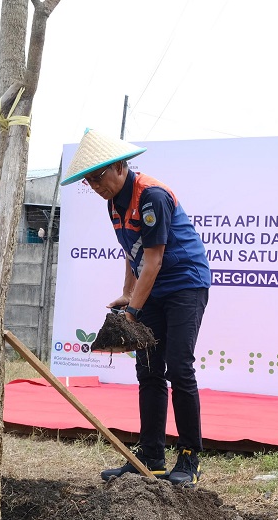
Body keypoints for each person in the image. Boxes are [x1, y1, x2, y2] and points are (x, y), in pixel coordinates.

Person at [61, 128, 211, 486]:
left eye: (99, 177)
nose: (95, 185)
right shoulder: (113, 202)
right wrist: (128, 295)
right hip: (152, 288)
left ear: (120, 167)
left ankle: (190, 457)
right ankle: (151, 457)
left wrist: (130, 315)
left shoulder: (152, 197)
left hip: (184, 284)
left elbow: (155, 261)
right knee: (148, 369)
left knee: (178, 366)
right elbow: (133, 253)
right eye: (89, 181)